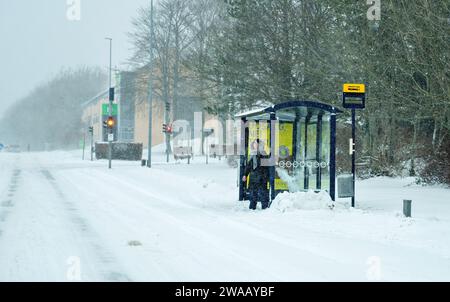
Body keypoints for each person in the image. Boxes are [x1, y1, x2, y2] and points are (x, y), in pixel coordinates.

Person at [243, 139, 270, 210]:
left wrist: (266, 176)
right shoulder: (252, 154)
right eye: (255, 144)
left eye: (257, 144)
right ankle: (252, 207)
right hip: (254, 177)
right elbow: (249, 166)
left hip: (262, 177)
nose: (256, 145)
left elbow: (266, 167)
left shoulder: (264, 155)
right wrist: (245, 175)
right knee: (253, 194)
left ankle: (265, 207)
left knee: (263, 193)